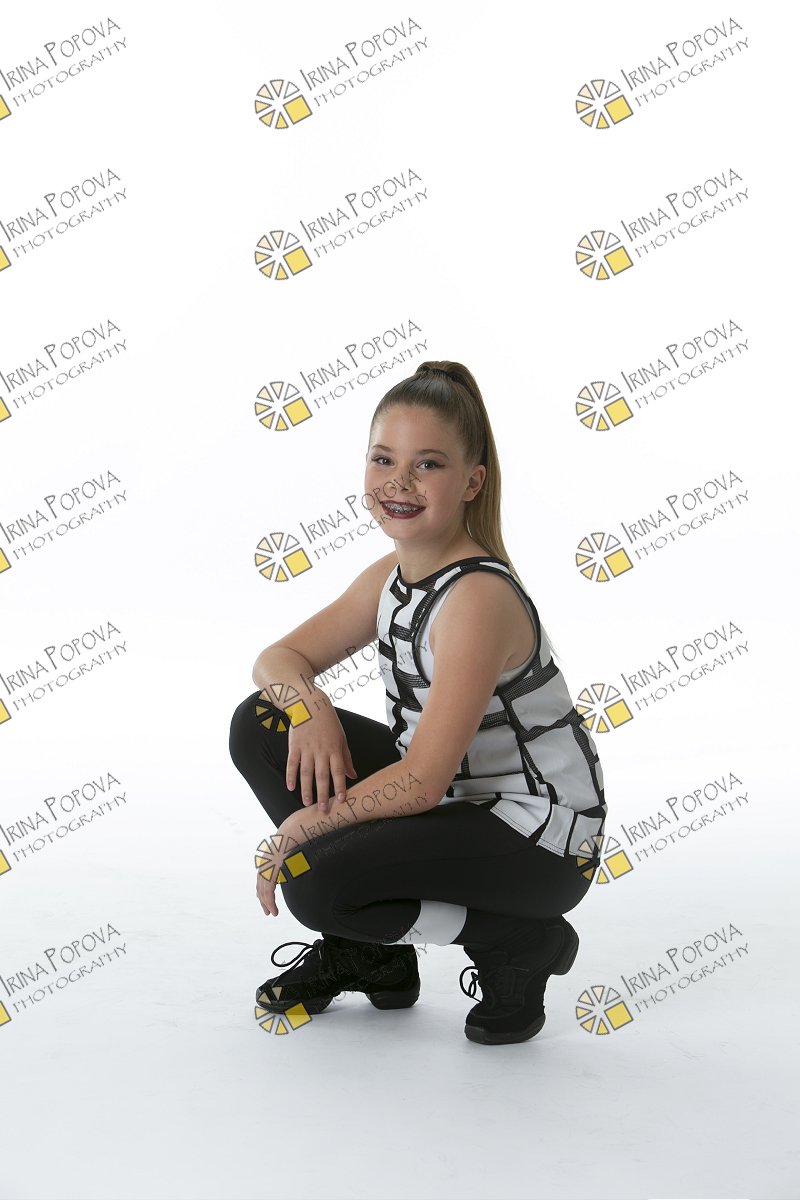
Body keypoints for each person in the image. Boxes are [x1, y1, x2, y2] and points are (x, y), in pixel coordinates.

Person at [228, 360, 607, 1045]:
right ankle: (373, 955)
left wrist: (303, 829)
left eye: (427, 464)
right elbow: (276, 661)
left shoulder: (478, 597)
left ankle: (517, 940)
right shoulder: (392, 575)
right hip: (451, 799)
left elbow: (422, 781)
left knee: (313, 883)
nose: (398, 482)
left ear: (471, 482)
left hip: (535, 839)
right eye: (383, 459)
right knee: (261, 724)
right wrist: (308, 707)